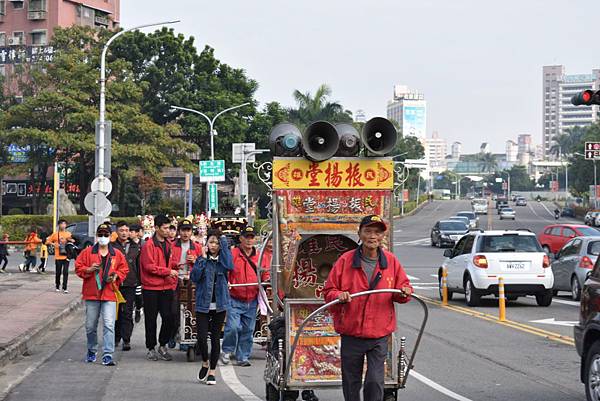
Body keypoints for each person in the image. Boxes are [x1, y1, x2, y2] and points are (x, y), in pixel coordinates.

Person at [323, 215, 413, 401]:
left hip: (379, 335)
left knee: (374, 381)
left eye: (377, 232)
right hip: (351, 333)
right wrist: (338, 296)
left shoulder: (391, 262)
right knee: (351, 382)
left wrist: (404, 292)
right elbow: (329, 291)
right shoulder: (345, 261)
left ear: (383, 236)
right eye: (368, 231)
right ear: (359, 234)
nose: (373, 236)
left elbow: (403, 291)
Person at [75, 223, 129, 366]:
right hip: (92, 294)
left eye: (106, 235)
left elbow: (124, 269)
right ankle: (92, 350)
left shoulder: (117, 254)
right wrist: (88, 269)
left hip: (109, 293)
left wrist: (117, 275)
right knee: (90, 326)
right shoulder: (87, 252)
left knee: (109, 325)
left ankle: (107, 354)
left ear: (111, 236)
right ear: (97, 235)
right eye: (101, 234)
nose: (103, 237)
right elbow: (78, 268)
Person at [221, 226, 269, 367]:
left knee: (248, 330)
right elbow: (226, 271)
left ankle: (243, 356)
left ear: (255, 239)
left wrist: (266, 280)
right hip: (234, 297)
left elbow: (265, 273)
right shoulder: (233, 253)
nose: (249, 240)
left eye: (252, 237)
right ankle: (227, 350)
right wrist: (227, 282)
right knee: (233, 327)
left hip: (252, 298)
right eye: (246, 237)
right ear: (241, 238)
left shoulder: (260, 256)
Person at [190, 229, 232, 384]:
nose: (213, 245)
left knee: (215, 339)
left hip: (220, 305)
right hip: (203, 304)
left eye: (216, 243)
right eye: (211, 242)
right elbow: (194, 277)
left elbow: (230, 265)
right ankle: (205, 362)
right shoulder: (202, 259)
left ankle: (212, 371)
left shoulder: (223, 260)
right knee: (201, 338)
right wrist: (202, 258)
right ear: (206, 244)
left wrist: (223, 242)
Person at [140, 214, 178, 362]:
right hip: (151, 288)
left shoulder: (169, 244)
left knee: (169, 317)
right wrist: (168, 271)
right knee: (151, 319)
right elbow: (149, 267)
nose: (168, 231)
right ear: (156, 228)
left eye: (169, 228)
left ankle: (163, 344)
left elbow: (171, 263)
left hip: (167, 286)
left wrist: (179, 265)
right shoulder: (149, 245)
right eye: (165, 228)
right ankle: (151, 347)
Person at [167, 219, 202, 348]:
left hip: (191, 282)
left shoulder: (197, 247)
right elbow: (166, 263)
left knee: (191, 311)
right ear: (179, 231)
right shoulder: (171, 245)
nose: (185, 233)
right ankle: (173, 333)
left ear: (191, 232)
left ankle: (187, 340)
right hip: (175, 281)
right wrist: (176, 265)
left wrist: (195, 260)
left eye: (188, 230)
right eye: (183, 230)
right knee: (174, 312)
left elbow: (203, 265)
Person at [112, 221, 141, 351]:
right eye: (121, 230)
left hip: (130, 283)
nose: (124, 233)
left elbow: (139, 266)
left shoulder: (136, 247)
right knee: (115, 312)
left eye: (126, 230)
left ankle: (126, 339)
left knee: (127, 312)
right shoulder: (111, 246)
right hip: (114, 284)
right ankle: (116, 337)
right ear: (117, 231)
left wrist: (140, 282)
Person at [46, 219, 75, 293]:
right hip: (58, 256)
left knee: (66, 272)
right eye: (62, 224)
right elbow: (47, 241)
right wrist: (54, 244)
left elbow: (74, 242)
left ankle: (65, 288)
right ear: (59, 225)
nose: (63, 225)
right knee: (58, 272)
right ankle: (57, 286)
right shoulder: (55, 234)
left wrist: (71, 241)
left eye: (64, 224)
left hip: (66, 256)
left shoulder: (69, 234)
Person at [129, 224, 144, 324]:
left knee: (138, 295)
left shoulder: (144, 244)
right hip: (130, 274)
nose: (129, 233)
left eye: (131, 231)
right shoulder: (127, 244)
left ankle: (138, 308)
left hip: (140, 274)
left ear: (137, 233)